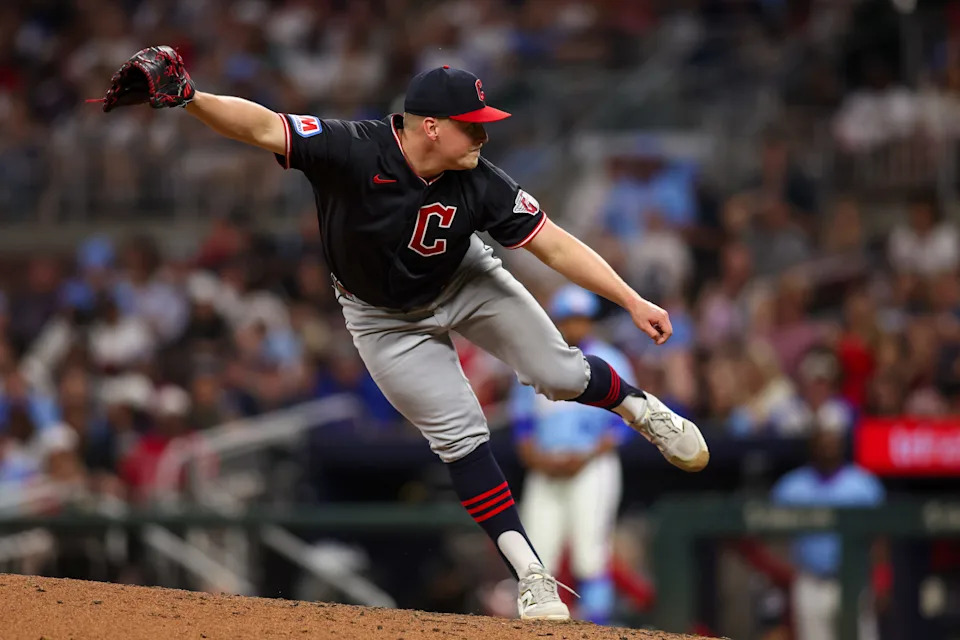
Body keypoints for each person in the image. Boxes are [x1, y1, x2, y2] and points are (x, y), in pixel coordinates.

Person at [95, 48, 709, 620]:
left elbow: (551, 242)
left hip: (465, 281)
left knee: (561, 374)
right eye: (473, 123)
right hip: (381, 318)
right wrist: (192, 98)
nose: (484, 134)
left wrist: (629, 299)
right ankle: (531, 573)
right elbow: (263, 127)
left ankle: (637, 406)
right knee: (460, 438)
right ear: (432, 127)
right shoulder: (353, 148)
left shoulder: (480, 178)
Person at [511, 285, 635, 624]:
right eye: (569, 319)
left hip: (592, 466)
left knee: (590, 555)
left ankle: (598, 626)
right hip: (546, 467)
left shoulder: (612, 360)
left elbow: (625, 423)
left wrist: (585, 456)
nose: (576, 326)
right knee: (535, 558)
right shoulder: (534, 360)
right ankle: (535, 628)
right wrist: (538, 460)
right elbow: (522, 426)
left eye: (582, 319)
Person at [771, 422, 886, 640]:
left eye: (833, 442)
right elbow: (769, 534)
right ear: (812, 445)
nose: (827, 447)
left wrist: (881, 579)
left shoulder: (863, 484)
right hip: (810, 581)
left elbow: (880, 538)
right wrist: (785, 574)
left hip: (855, 581)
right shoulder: (791, 486)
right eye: (822, 442)